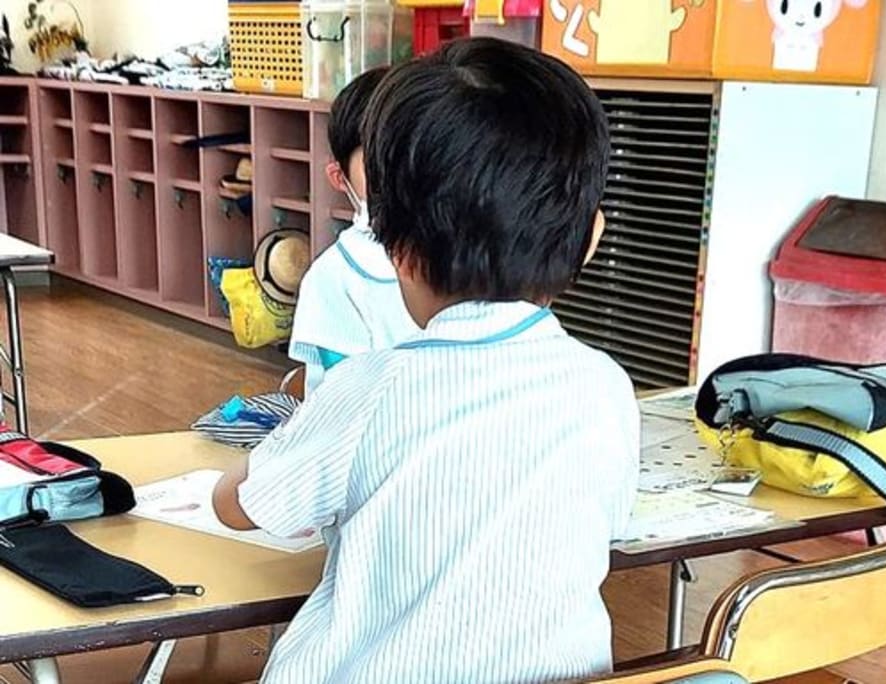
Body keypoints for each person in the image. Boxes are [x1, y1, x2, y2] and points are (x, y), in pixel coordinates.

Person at [213, 37, 639, 684]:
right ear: (590, 239)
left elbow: (239, 504)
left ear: (398, 253)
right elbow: (605, 523)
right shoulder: (604, 386)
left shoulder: (370, 386)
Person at [288, 66, 419, 397]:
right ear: (339, 176)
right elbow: (341, 398)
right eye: (379, 160)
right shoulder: (334, 277)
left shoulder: (466, 247)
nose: (401, 174)